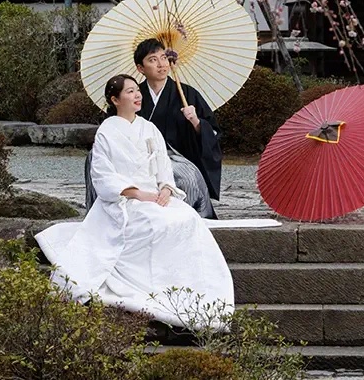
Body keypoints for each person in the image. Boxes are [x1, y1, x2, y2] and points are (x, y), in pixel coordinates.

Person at [36, 75, 234, 330]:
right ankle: (154, 285)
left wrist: (166, 189)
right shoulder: (107, 131)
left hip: (155, 196)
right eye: (129, 92)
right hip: (124, 200)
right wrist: (137, 193)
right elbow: (103, 175)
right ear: (115, 99)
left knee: (187, 218)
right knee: (155, 222)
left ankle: (191, 287)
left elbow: (163, 165)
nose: (137, 95)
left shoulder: (149, 128)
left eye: (136, 90)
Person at [134, 38, 222, 215]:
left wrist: (196, 121)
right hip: (140, 157)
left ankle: (185, 218)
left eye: (163, 58)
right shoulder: (134, 95)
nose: (161, 64)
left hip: (176, 158)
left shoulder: (188, 94)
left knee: (187, 178)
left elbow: (213, 132)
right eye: (153, 60)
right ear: (140, 68)